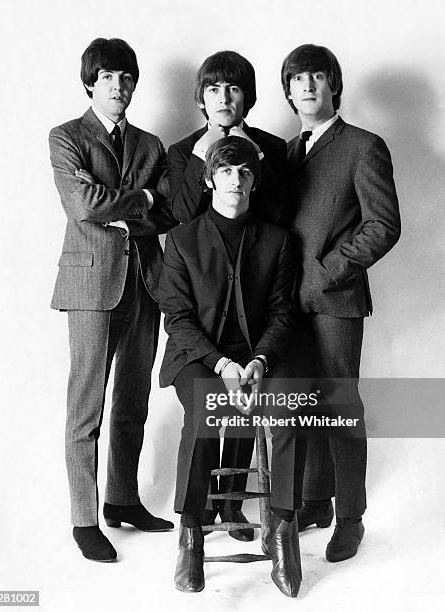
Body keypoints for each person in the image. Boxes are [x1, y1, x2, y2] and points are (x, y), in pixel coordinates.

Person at [159, 137, 306, 596]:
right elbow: (177, 318)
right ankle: (190, 535)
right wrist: (222, 363)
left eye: (244, 172)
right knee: (206, 413)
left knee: (285, 414)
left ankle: (282, 530)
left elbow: (283, 313)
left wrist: (259, 359)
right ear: (208, 180)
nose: (236, 180)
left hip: (262, 354)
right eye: (225, 171)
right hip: (198, 357)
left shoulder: (279, 241)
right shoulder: (182, 240)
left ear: (254, 182)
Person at [49, 37, 175, 562]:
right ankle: (84, 517)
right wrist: (141, 198)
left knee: (133, 400)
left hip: (146, 282)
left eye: (125, 77)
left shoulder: (151, 145)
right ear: (90, 84)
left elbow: (170, 211)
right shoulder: (66, 137)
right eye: (107, 78)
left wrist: (135, 204)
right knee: (87, 405)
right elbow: (82, 204)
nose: (118, 86)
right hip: (90, 284)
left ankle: (122, 501)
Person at [280, 44, 401, 562]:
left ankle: (350, 518)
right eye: (298, 80)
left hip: (336, 302)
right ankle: (315, 502)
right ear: (287, 92)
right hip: (288, 304)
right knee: (301, 404)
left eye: (316, 77)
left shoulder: (364, 146)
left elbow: (384, 225)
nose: (307, 87)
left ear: (333, 84)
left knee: (339, 408)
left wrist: (327, 272)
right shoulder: (285, 152)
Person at [168, 50, 289, 541]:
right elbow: (180, 215)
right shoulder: (184, 153)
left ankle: (234, 506)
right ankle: (192, 524)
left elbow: (280, 214)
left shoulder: (270, 149)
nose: (224, 98)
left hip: (249, 333)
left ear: (247, 98)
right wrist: (208, 156)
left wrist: (249, 159)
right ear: (201, 98)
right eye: (214, 89)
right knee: (207, 402)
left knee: (246, 399)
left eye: (234, 89)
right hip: (198, 344)